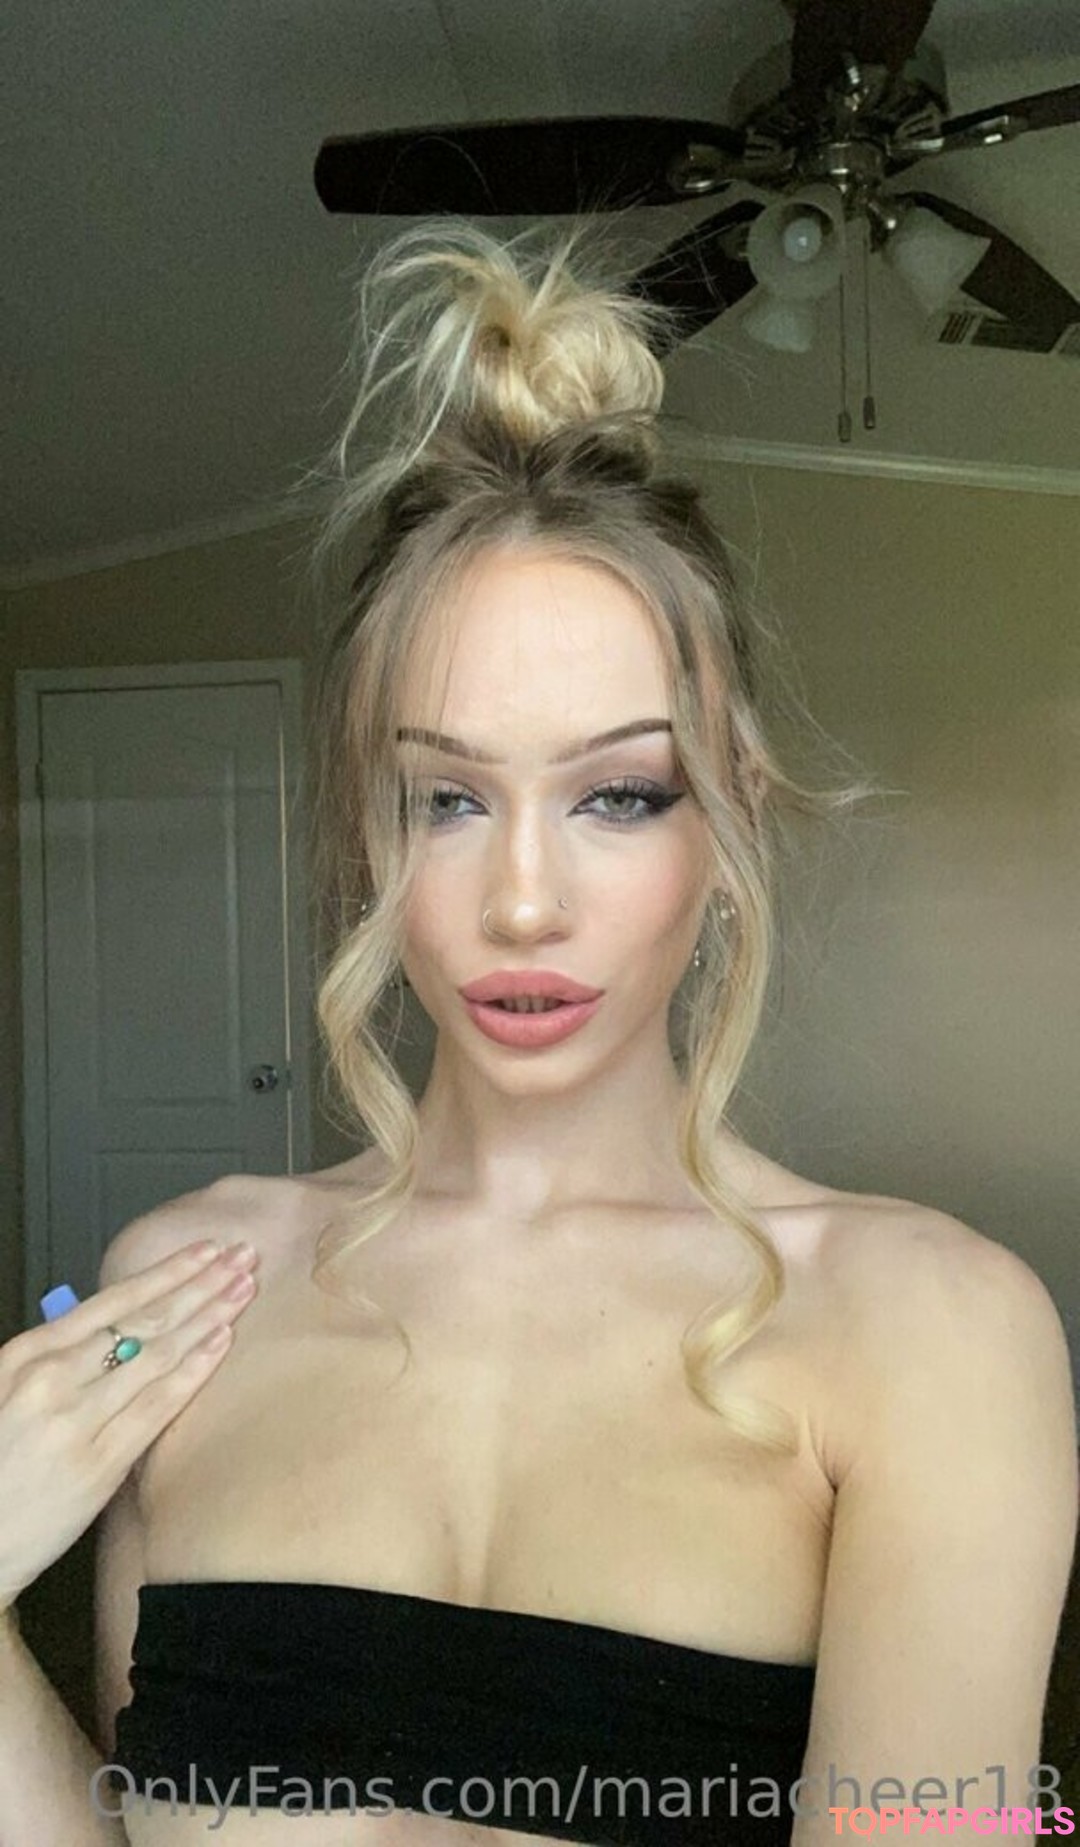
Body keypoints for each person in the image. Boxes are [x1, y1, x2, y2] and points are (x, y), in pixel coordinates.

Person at [1, 220, 1076, 1847]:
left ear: (729, 815)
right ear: (367, 828)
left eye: (618, 795)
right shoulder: (189, 1288)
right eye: (447, 799)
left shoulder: (932, 1333)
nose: (521, 900)